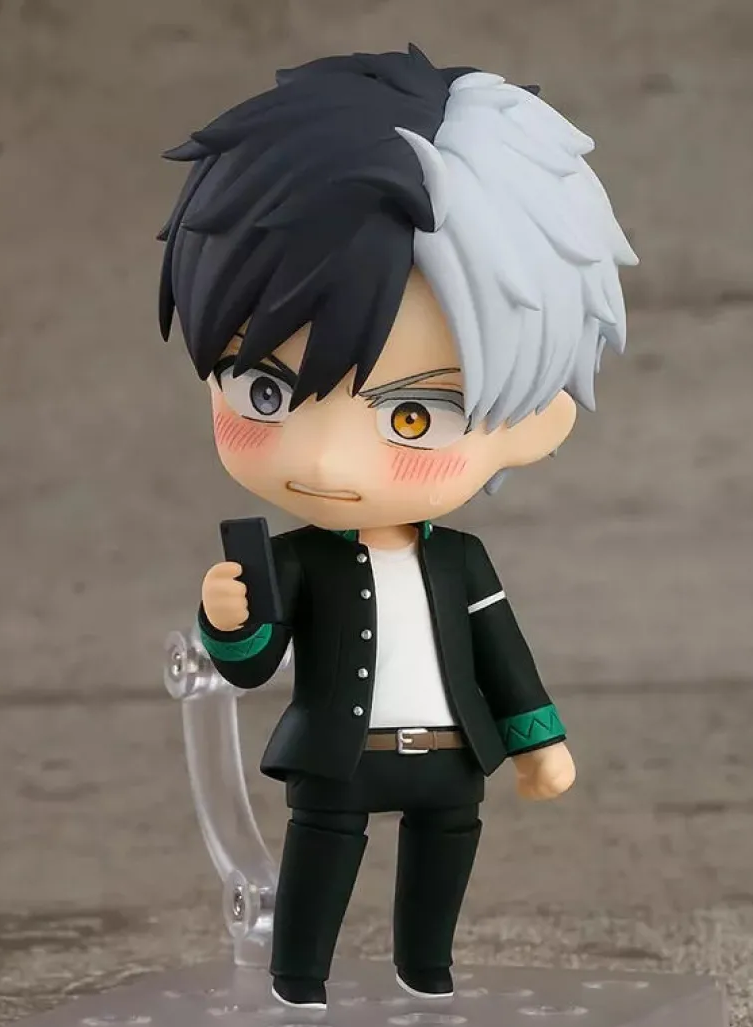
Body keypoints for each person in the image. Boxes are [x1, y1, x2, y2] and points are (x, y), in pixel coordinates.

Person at [158, 44, 637, 1011]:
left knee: (444, 858)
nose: (328, 462)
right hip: (335, 758)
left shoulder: (462, 560)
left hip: (452, 756)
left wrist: (539, 740)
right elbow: (252, 664)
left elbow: (504, 655)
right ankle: (299, 977)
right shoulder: (293, 560)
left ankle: (429, 972)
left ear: (536, 419)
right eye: (266, 390)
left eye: (412, 415)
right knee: (323, 856)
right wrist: (229, 620)